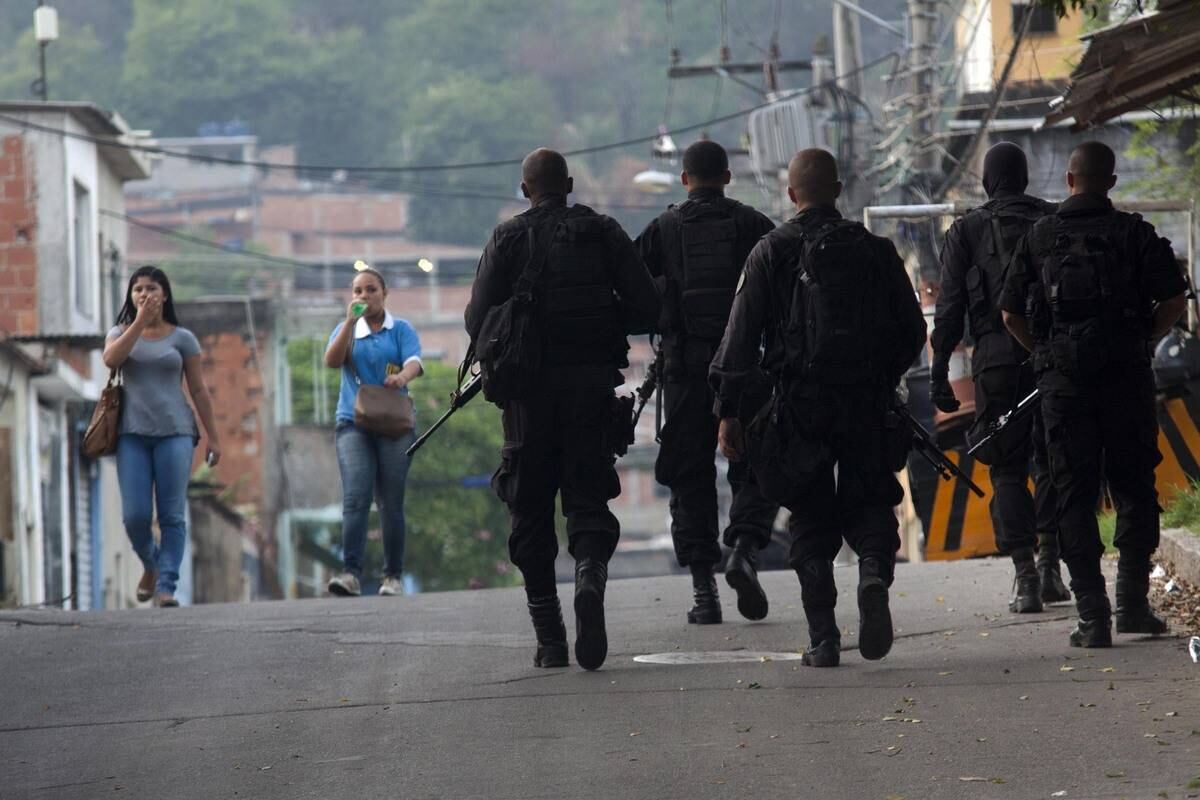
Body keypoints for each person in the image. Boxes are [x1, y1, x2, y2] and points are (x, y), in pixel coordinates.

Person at [710, 148, 926, 667]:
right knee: (870, 500)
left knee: (808, 512)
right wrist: (881, 378)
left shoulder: (770, 251)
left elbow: (738, 343)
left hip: (798, 405)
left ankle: (824, 638)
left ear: (791, 195)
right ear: (838, 190)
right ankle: (872, 574)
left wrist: (730, 411)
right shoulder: (875, 250)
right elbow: (913, 331)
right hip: (865, 402)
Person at [465, 148, 659, 671]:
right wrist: (604, 320)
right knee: (588, 499)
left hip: (526, 401)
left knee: (529, 510)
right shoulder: (604, 232)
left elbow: (477, 320)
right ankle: (589, 575)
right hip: (590, 391)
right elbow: (648, 306)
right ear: (569, 185)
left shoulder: (506, 239)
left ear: (524, 189)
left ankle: (550, 638)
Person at [1001, 141, 1187, 647]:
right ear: (1111, 182)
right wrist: (1143, 339)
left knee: (1072, 494)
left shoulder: (1039, 236)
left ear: (1068, 180)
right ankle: (1132, 605)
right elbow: (1174, 299)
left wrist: (1046, 353)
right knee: (1135, 488)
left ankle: (1093, 617)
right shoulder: (1135, 234)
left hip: (1063, 387)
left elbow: (1010, 314)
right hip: (1126, 378)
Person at [634, 139, 779, 625]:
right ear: (728, 177)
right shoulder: (755, 227)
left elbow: (630, 292)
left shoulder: (662, 230)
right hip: (749, 369)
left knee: (689, 477)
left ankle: (704, 592)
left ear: (684, 179)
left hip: (685, 373)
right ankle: (743, 550)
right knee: (755, 466)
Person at [930, 141, 1069, 614]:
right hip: (1053, 357)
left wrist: (938, 373)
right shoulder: (1054, 220)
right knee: (1052, 460)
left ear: (988, 181)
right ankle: (1051, 567)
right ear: (1024, 178)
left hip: (994, 361)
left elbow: (949, 310)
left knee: (1007, 468)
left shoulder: (966, 230)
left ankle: (1026, 577)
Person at [102, 266, 221, 608]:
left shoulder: (183, 339)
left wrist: (214, 437)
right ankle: (151, 564)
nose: (144, 294)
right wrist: (139, 322)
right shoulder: (120, 332)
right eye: (138, 289)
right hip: (131, 435)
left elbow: (198, 390)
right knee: (135, 516)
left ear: (164, 294)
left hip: (175, 433)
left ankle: (167, 586)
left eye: (151, 288)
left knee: (172, 516)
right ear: (131, 296)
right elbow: (111, 359)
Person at [323, 266, 423, 597]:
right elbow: (332, 360)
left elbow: (415, 361)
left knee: (391, 501)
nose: (363, 296)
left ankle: (392, 576)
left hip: (394, 424)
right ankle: (350, 573)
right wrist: (349, 323)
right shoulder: (347, 329)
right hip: (353, 422)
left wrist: (402, 377)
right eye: (357, 291)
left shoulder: (401, 329)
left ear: (384, 293)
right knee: (356, 497)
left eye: (370, 289)